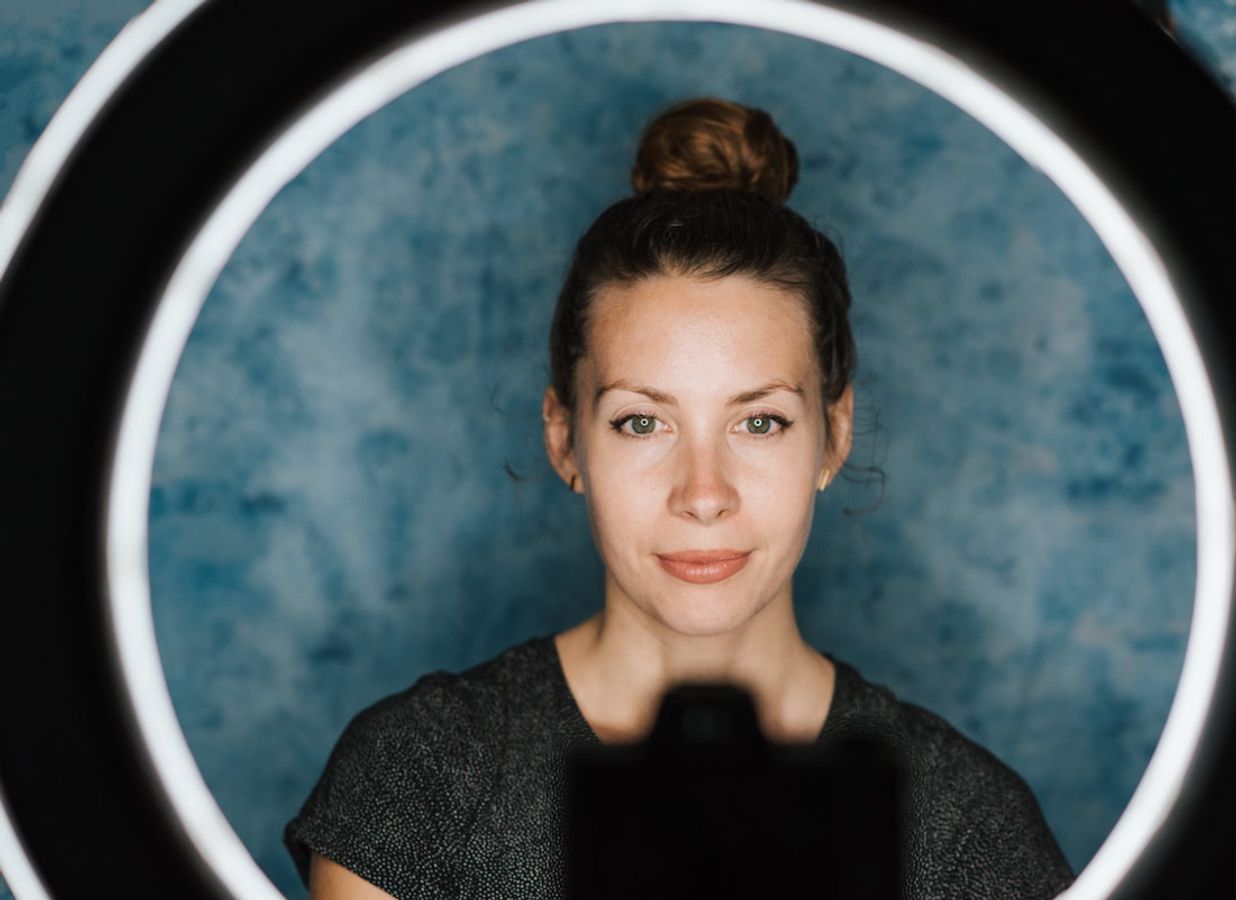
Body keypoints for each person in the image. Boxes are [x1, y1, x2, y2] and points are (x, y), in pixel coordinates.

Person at [283, 97, 1075, 899]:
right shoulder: (424, 777)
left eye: (760, 421)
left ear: (834, 437)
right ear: (565, 439)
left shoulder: (968, 825)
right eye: (641, 422)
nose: (704, 494)